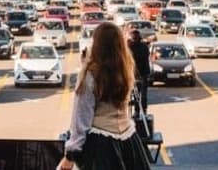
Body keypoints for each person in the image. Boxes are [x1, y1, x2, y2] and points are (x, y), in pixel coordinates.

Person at [59, 23, 151, 170]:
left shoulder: (90, 75)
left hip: (100, 147)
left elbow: (81, 119)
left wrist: (70, 156)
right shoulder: (126, 71)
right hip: (129, 141)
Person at [127, 29, 151, 114]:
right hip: (142, 73)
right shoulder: (144, 47)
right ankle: (142, 110)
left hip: (136, 73)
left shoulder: (130, 48)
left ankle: (137, 110)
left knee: (135, 93)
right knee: (142, 93)